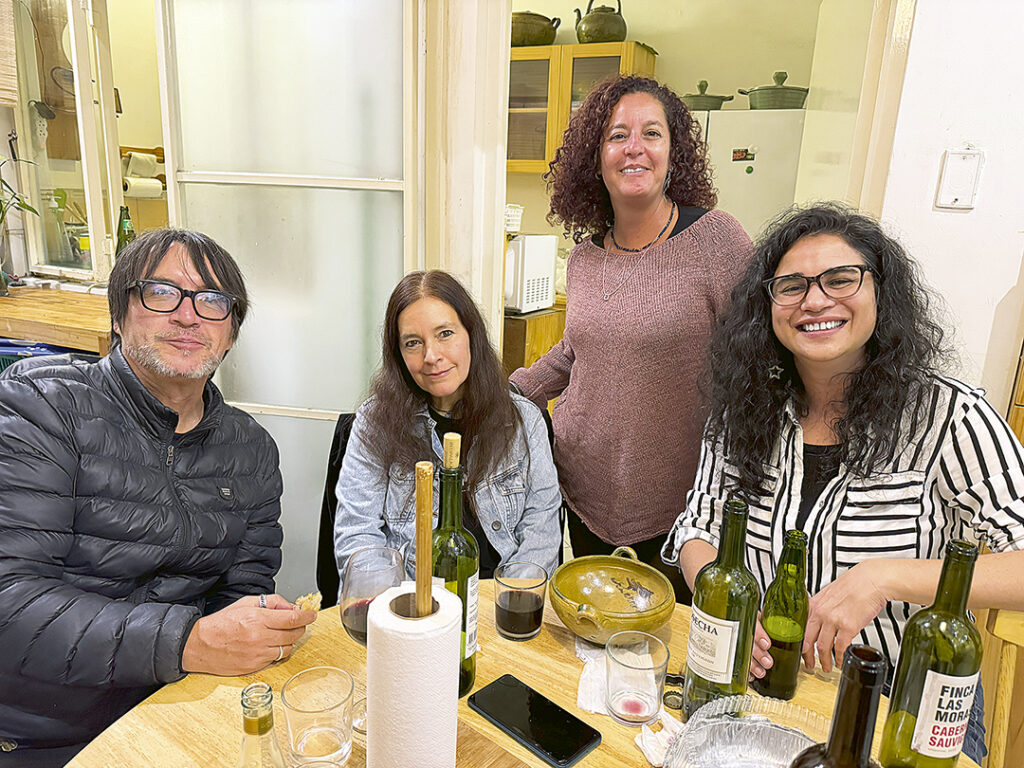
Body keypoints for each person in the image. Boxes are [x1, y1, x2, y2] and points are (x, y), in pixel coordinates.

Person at [663, 203, 1024, 764]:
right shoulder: (744, 412)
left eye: (840, 279)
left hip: (900, 706)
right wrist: (727, 602)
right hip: (760, 686)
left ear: (882, 292)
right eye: (792, 286)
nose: (814, 300)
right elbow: (698, 525)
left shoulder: (949, 417)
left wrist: (885, 578)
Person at [0, 230, 316, 767]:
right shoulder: (41, 408)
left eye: (212, 301)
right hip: (49, 734)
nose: (189, 316)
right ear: (119, 316)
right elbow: (11, 602)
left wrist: (240, 632)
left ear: (231, 334)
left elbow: (240, 592)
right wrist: (188, 641)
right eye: (161, 292)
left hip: (180, 708)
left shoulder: (251, 449)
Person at [509, 75, 752, 602]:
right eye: (618, 135)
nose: (634, 148)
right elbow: (576, 351)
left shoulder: (717, 241)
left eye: (652, 134)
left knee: (669, 652)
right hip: (583, 485)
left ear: (674, 152)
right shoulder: (585, 257)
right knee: (600, 637)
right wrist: (503, 392)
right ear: (595, 160)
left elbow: (758, 357)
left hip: (682, 506)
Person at [334, 270, 562, 584]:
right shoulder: (375, 424)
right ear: (398, 355)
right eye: (413, 343)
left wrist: (511, 601)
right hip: (412, 603)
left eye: (445, 334)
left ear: (471, 334)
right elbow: (357, 534)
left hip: (500, 599)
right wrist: (404, 614)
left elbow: (542, 531)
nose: (431, 356)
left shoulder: (524, 421)